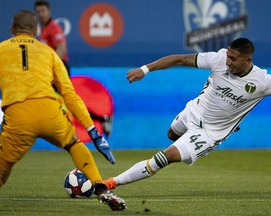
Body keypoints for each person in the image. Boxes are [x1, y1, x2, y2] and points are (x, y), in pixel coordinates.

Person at [0, 10, 126, 211]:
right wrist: (92, 130)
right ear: (35, 30)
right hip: (50, 111)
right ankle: (101, 188)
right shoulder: (48, 52)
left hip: (19, 117)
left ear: (11, 29)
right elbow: (69, 94)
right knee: (74, 143)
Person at [104, 38, 271, 190]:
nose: (228, 61)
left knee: (162, 158)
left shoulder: (262, 82)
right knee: (171, 134)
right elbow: (180, 59)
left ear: (248, 61)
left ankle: (111, 183)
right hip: (194, 111)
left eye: (233, 59)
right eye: (228, 56)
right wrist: (144, 69)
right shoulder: (218, 60)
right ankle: (186, 145)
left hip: (209, 133)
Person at [34, 0, 114, 148]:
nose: (41, 14)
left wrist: (49, 66)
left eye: (43, 10)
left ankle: (98, 121)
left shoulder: (53, 27)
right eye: (38, 11)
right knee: (64, 102)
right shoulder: (45, 29)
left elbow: (62, 48)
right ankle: (101, 119)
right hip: (53, 69)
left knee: (65, 101)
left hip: (59, 68)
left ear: (49, 11)